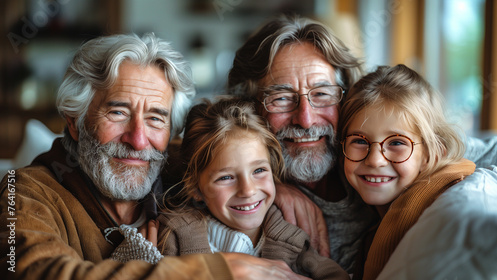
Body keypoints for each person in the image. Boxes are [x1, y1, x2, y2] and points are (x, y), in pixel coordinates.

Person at [0, 33, 310, 280]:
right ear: (75, 123)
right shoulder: (22, 190)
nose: (138, 140)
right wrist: (209, 271)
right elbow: (31, 272)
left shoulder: (183, 166)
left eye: (155, 119)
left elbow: (242, 169)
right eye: (118, 112)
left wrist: (283, 188)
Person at [226, 14, 497, 274]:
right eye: (282, 98)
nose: (306, 120)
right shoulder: (242, 191)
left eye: (322, 94)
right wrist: (268, 183)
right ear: (250, 109)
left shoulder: (390, 141)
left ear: (344, 98)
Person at [110, 97, 350, 280]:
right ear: (196, 188)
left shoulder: (291, 240)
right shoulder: (174, 235)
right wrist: (140, 258)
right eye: (225, 177)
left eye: (258, 171)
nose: (247, 190)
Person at [337, 64, 476, 279]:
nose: (375, 160)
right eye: (359, 140)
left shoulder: (431, 212)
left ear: (432, 154)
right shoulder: (371, 230)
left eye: (397, 143)